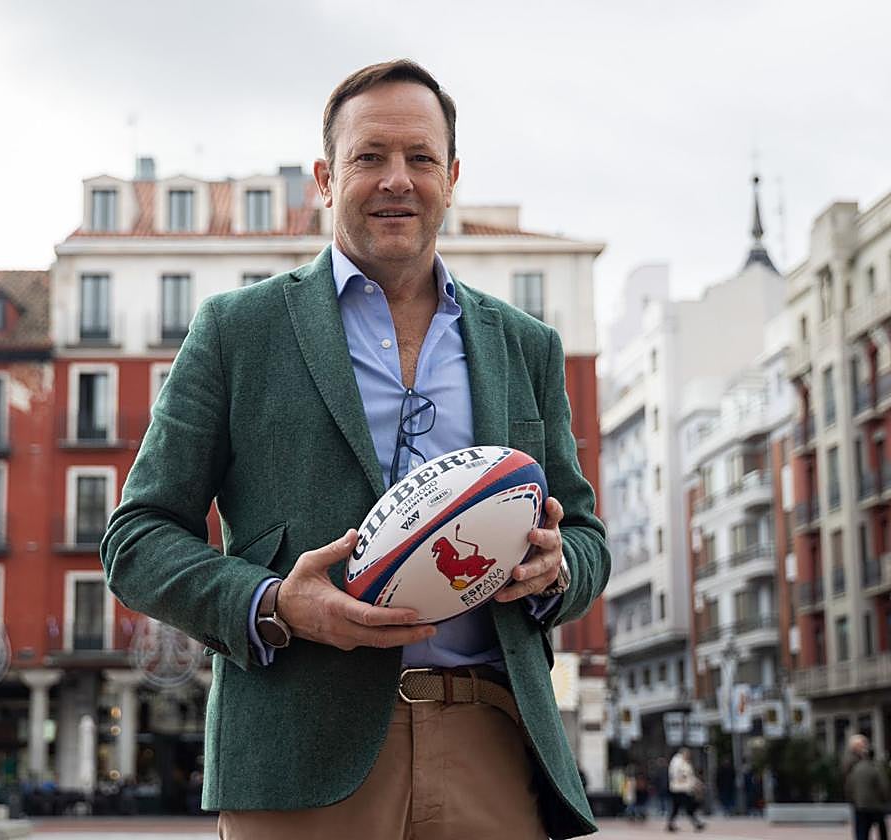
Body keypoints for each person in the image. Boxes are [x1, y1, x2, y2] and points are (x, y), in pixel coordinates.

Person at [102, 59, 610, 840]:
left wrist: (557, 568)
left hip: (496, 746)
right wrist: (275, 605)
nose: (397, 179)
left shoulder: (525, 345)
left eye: (420, 158)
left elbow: (586, 537)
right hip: (298, 760)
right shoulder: (236, 331)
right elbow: (136, 540)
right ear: (326, 179)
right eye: (370, 156)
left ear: (451, 178)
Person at [843, 734, 889, 840]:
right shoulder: (875, 767)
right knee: (881, 829)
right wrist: (884, 800)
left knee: (861, 831)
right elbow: (883, 786)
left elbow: (849, 786)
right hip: (875, 805)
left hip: (860, 804)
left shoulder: (854, 766)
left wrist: (852, 800)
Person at [667, 747, 706, 832]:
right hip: (679, 789)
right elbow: (680, 775)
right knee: (688, 806)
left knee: (677, 808)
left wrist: (697, 782)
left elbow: (690, 776)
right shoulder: (677, 762)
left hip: (682, 788)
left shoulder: (684, 762)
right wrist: (690, 782)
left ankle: (670, 824)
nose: (689, 756)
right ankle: (696, 823)